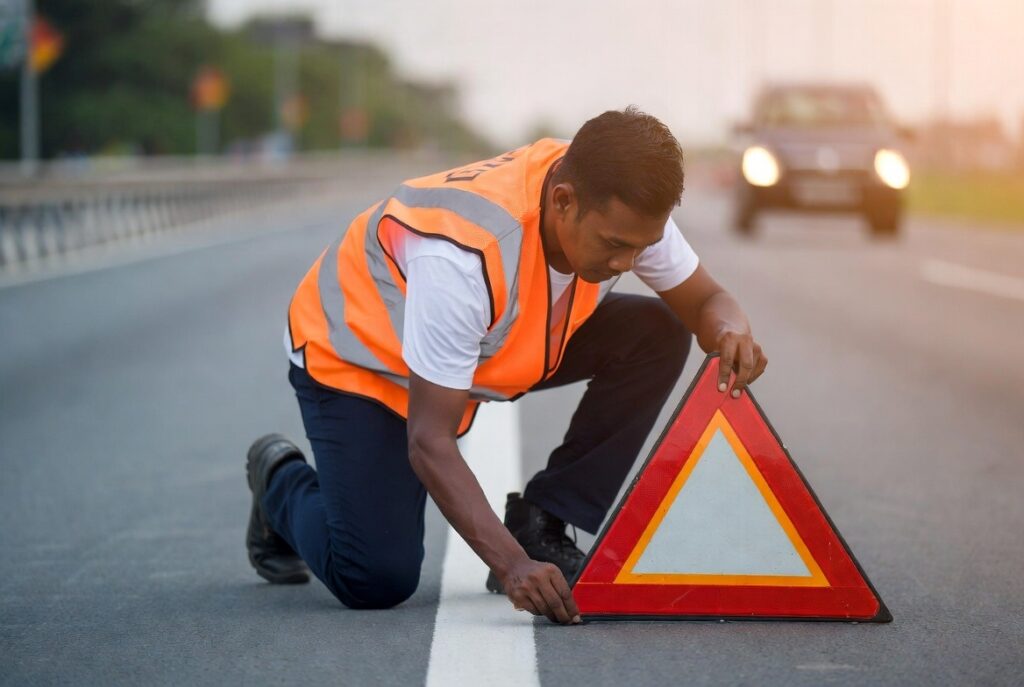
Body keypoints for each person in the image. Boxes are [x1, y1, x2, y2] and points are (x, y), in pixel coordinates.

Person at [244, 107, 767, 626]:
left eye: (642, 247)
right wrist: (512, 566)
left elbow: (706, 302)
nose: (629, 264)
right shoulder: (462, 258)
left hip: (492, 344)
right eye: (615, 247)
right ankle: (279, 482)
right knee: (375, 578)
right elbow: (430, 440)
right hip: (362, 357)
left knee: (658, 330)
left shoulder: (618, 204)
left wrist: (729, 333)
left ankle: (543, 521)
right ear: (563, 201)